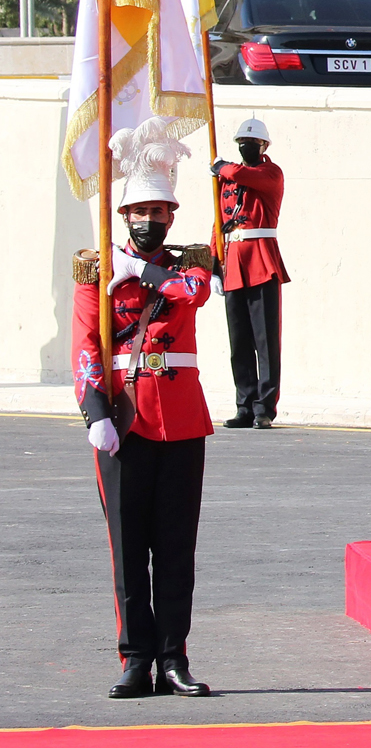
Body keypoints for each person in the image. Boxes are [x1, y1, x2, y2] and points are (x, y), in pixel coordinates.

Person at [73, 117, 216, 699]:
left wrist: (144, 270)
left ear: (171, 216)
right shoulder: (96, 269)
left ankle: (174, 657)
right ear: (124, 216)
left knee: (176, 547)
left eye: (160, 212)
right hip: (124, 421)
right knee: (129, 549)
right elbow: (86, 342)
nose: (150, 220)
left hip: (181, 421)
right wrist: (94, 413)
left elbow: (194, 292)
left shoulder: (191, 262)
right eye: (140, 212)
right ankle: (135, 657)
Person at [213, 118, 291, 429]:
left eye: (253, 143)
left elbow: (241, 173)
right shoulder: (226, 181)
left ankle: (264, 408)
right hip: (233, 261)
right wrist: (214, 264)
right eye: (242, 142)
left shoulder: (270, 173)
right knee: (239, 342)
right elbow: (219, 224)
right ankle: (244, 406)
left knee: (266, 340)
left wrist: (220, 166)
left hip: (261, 259)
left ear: (264, 146)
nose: (247, 147)